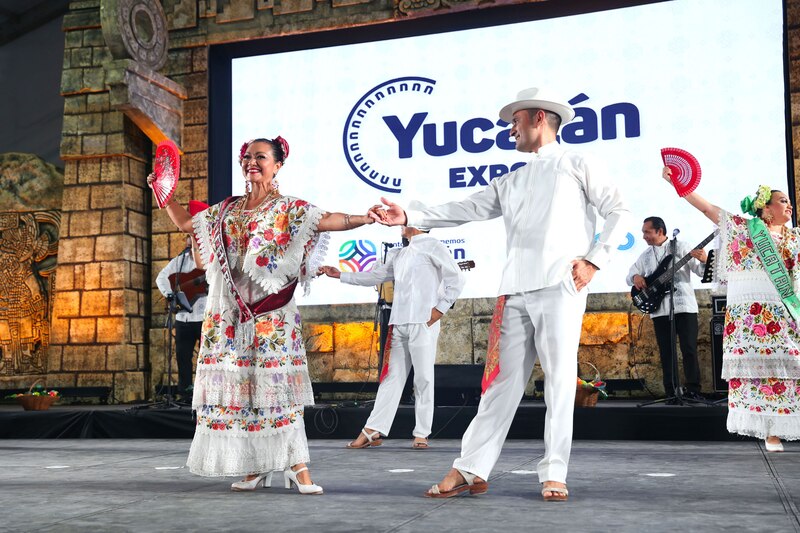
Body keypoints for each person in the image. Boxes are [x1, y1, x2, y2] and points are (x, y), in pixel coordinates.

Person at [369, 87, 631, 500]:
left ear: (539, 119)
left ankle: (553, 472)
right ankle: (471, 466)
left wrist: (595, 259)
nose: (510, 128)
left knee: (560, 381)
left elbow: (619, 210)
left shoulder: (578, 162)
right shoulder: (511, 178)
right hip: (514, 289)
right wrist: (411, 215)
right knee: (499, 384)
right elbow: (465, 208)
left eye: (516, 120)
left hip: (561, 282)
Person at [149, 136, 378, 493]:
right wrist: (163, 195)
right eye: (247, 157)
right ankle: (256, 466)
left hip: (271, 317)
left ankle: (297, 467)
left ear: (277, 164)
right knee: (240, 392)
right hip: (228, 317)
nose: (251, 162)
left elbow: (326, 220)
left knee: (276, 390)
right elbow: (187, 225)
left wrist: (363, 218)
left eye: (260, 157)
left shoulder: (289, 208)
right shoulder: (226, 210)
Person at [660, 169, 800, 452]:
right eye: (783, 201)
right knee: (755, 374)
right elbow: (707, 208)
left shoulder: (794, 237)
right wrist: (679, 184)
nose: (790, 206)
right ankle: (769, 433)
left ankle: (783, 426)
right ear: (765, 208)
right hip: (750, 317)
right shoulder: (743, 228)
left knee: (788, 372)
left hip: (783, 315)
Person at [318, 219, 465, 449]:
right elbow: (374, 277)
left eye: (405, 223)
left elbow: (457, 278)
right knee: (392, 378)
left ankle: (421, 433)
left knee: (423, 378)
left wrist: (439, 310)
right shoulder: (398, 254)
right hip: (399, 322)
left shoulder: (433, 245)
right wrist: (340, 275)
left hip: (423, 321)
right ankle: (372, 429)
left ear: (416, 223)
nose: (400, 227)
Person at [626, 216, 708, 401]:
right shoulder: (646, 255)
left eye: (647, 232)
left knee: (689, 349)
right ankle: (671, 391)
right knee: (666, 351)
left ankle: (693, 390)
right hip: (660, 311)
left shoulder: (681, 247)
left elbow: (702, 272)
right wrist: (636, 277)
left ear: (660, 231)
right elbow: (630, 274)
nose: (644, 236)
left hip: (685, 307)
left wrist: (704, 259)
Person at [155, 234, 207, 402]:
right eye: (188, 246)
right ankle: (185, 393)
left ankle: (205, 393)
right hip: (184, 318)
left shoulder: (210, 260)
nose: (190, 250)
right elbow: (161, 277)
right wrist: (170, 294)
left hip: (205, 317)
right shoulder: (180, 261)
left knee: (206, 357)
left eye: (194, 247)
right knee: (182, 356)